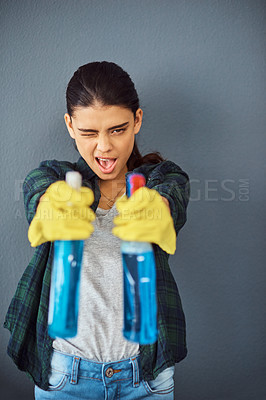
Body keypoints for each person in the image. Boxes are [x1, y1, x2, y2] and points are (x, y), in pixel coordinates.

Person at [4, 61, 190, 399]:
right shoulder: (56, 178)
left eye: (117, 129)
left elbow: (172, 197)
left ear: (137, 120)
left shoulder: (162, 179)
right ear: (70, 126)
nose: (104, 147)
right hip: (64, 376)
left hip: (147, 377)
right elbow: (37, 187)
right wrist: (48, 205)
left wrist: (157, 210)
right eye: (89, 132)